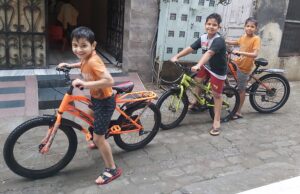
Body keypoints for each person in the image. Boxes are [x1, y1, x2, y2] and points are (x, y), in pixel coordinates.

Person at [57, 26, 122, 185]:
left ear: (93, 46)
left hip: (105, 102)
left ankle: (112, 169)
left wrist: (85, 84)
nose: (78, 49)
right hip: (96, 98)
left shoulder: (94, 60)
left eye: (83, 46)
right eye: (75, 45)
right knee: (89, 115)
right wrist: (70, 66)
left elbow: (109, 81)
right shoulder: (86, 57)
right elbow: (82, 63)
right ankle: (98, 134)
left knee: (99, 138)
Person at [171, 13, 227, 136]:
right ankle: (196, 102)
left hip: (218, 70)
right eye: (208, 24)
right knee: (197, 80)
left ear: (219, 27)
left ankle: (217, 120)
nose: (211, 27)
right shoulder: (203, 38)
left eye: (214, 25)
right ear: (205, 24)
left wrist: (198, 64)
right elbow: (191, 48)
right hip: (206, 65)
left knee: (217, 95)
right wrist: (177, 56)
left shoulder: (219, 40)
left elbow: (209, 53)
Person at [226, 17, 261, 119]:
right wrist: (223, 41)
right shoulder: (244, 36)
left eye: (252, 27)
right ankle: (228, 89)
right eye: (248, 26)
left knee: (241, 89)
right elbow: (236, 42)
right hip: (237, 63)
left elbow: (255, 54)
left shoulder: (256, 39)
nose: (249, 28)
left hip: (244, 68)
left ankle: (238, 111)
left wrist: (240, 52)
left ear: (256, 28)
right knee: (222, 70)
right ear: (244, 27)